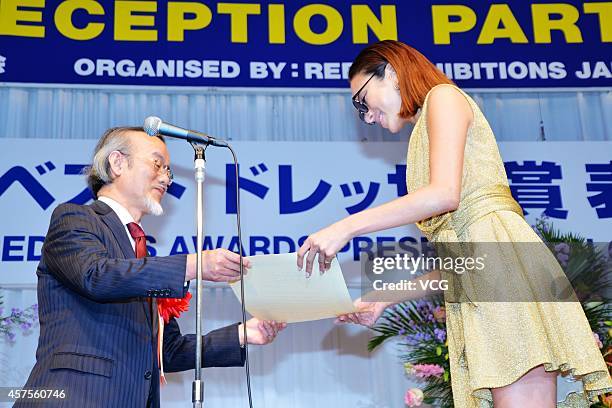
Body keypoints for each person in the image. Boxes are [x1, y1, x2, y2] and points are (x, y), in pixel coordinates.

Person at [297, 40, 611, 408]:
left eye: (363, 101)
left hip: (504, 275)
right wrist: (382, 298)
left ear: (393, 71)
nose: (367, 117)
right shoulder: (425, 130)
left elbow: (444, 194)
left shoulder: (443, 98)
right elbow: (464, 264)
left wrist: (345, 227)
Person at [18, 127, 286, 407]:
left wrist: (244, 333)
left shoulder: (141, 254)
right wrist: (193, 264)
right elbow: (94, 275)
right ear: (117, 162)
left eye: (169, 170)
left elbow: (166, 351)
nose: (166, 178)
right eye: (158, 164)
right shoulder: (75, 218)